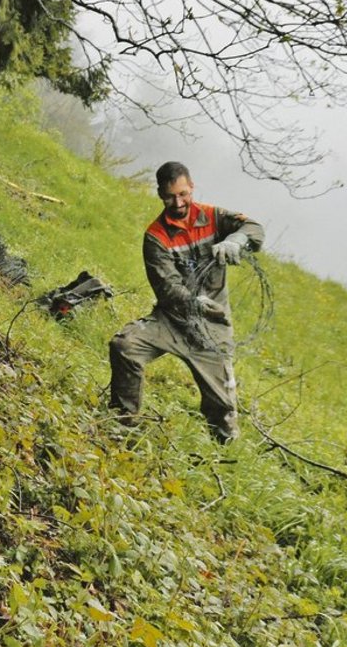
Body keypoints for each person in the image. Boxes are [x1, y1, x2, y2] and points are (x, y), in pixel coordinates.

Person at [107, 161, 264, 442]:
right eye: (170, 196)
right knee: (125, 346)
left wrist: (237, 240)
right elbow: (167, 288)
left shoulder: (214, 216)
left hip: (211, 329)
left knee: (224, 410)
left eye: (183, 194)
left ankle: (223, 451)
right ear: (160, 195)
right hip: (172, 321)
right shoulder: (156, 237)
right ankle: (121, 426)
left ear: (192, 187)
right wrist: (194, 302)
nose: (178, 202)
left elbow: (254, 227)